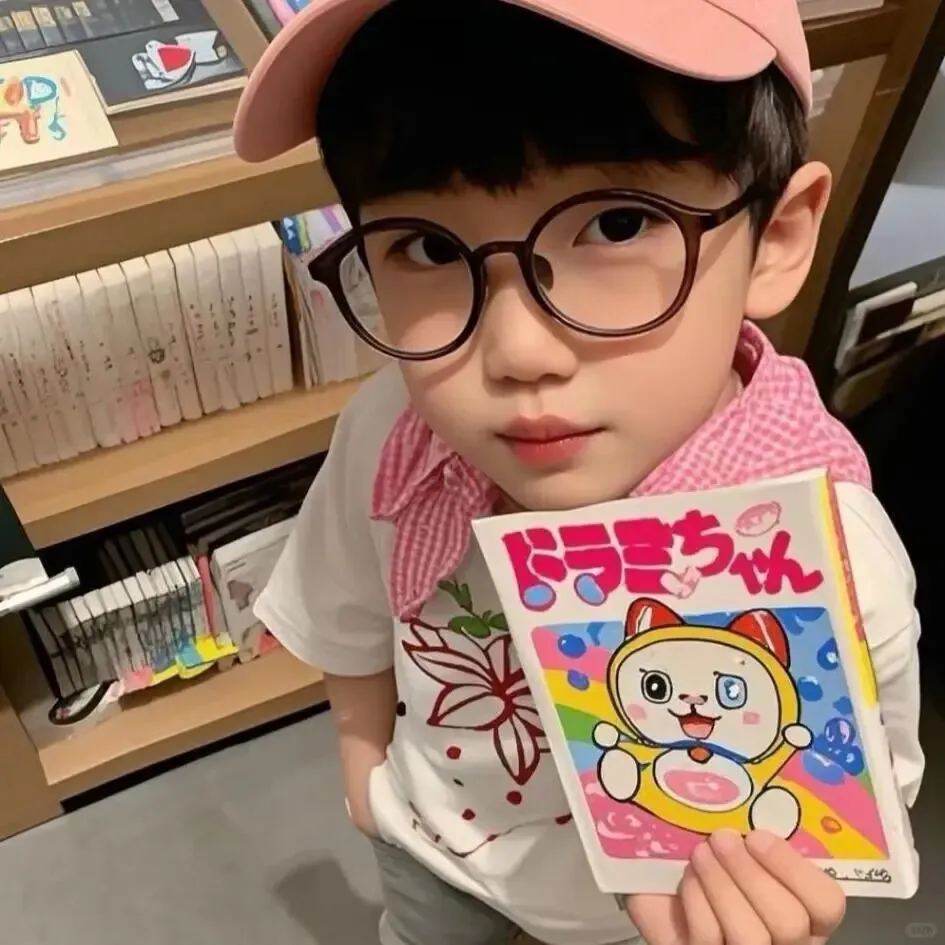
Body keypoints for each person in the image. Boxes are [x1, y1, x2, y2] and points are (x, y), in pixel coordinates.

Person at [235, 2, 925, 943]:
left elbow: (851, 790)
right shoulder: (395, 434)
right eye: (428, 247)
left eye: (617, 222)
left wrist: (767, 906)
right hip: (432, 843)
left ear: (776, 237)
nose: (517, 351)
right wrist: (365, 773)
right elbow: (345, 608)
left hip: (654, 908)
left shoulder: (828, 559)